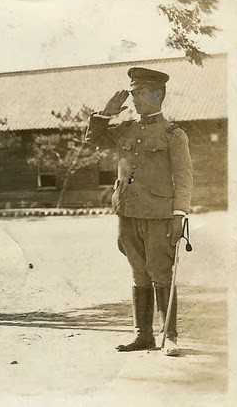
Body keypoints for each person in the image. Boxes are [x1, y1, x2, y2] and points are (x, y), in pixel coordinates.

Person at [85, 67, 193, 357]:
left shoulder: (173, 134)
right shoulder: (125, 129)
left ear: (157, 95)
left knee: (160, 272)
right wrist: (104, 114)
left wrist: (179, 214)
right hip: (127, 213)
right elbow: (92, 140)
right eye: (132, 93)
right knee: (138, 273)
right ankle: (142, 335)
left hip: (159, 214)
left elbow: (183, 177)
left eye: (140, 93)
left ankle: (169, 336)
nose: (133, 99)